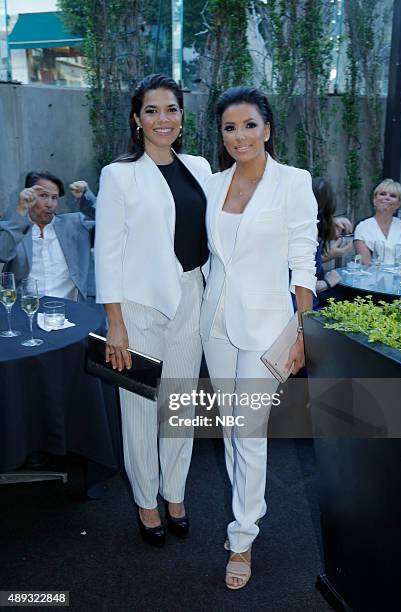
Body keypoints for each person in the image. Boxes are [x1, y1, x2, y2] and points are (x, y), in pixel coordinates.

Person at [200, 86, 317, 589]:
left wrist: (300, 333)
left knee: (248, 431)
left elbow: (303, 259)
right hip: (217, 325)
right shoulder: (212, 183)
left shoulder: (293, 182)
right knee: (232, 429)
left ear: (267, 129)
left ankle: (243, 535)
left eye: (250, 125)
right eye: (230, 127)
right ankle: (248, 508)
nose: (240, 136)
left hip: (269, 325)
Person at [94, 74, 211, 547]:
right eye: (152, 111)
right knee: (141, 408)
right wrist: (115, 323)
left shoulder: (200, 167)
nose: (163, 119)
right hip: (138, 305)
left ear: (182, 117)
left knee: (178, 405)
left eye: (172, 110)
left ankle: (175, 493)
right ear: (136, 119)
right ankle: (146, 501)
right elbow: (107, 252)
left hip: (192, 296)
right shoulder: (119, 174)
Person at [0, 171, 95, 300]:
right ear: (28, 195)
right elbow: (2, 254)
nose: (49, 204)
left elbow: (108, 224)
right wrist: (22, 209)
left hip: (70, 309)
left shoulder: (76, 225)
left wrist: (86, 198)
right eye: (43, 195)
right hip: (27, 309)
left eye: (54, 198)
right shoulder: (14, 229)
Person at [354, 179, 401, 265]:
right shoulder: (362, 228)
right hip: (373, 276)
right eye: (383, 194)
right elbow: (366, 264)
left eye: (393, 196)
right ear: (374, 200)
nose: (387, 198)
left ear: (398, 204)